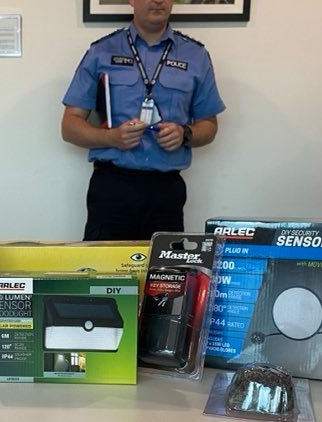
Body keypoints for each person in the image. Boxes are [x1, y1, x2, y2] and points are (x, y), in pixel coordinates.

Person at [61, 0, 225, 241]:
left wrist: (184, 134)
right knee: (104, 275)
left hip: (166, 191)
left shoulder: (196, 55)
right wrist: (112, 138)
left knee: (164, 276)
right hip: (112, 187)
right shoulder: (101, 52)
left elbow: (209, 125)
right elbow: (69, 126)